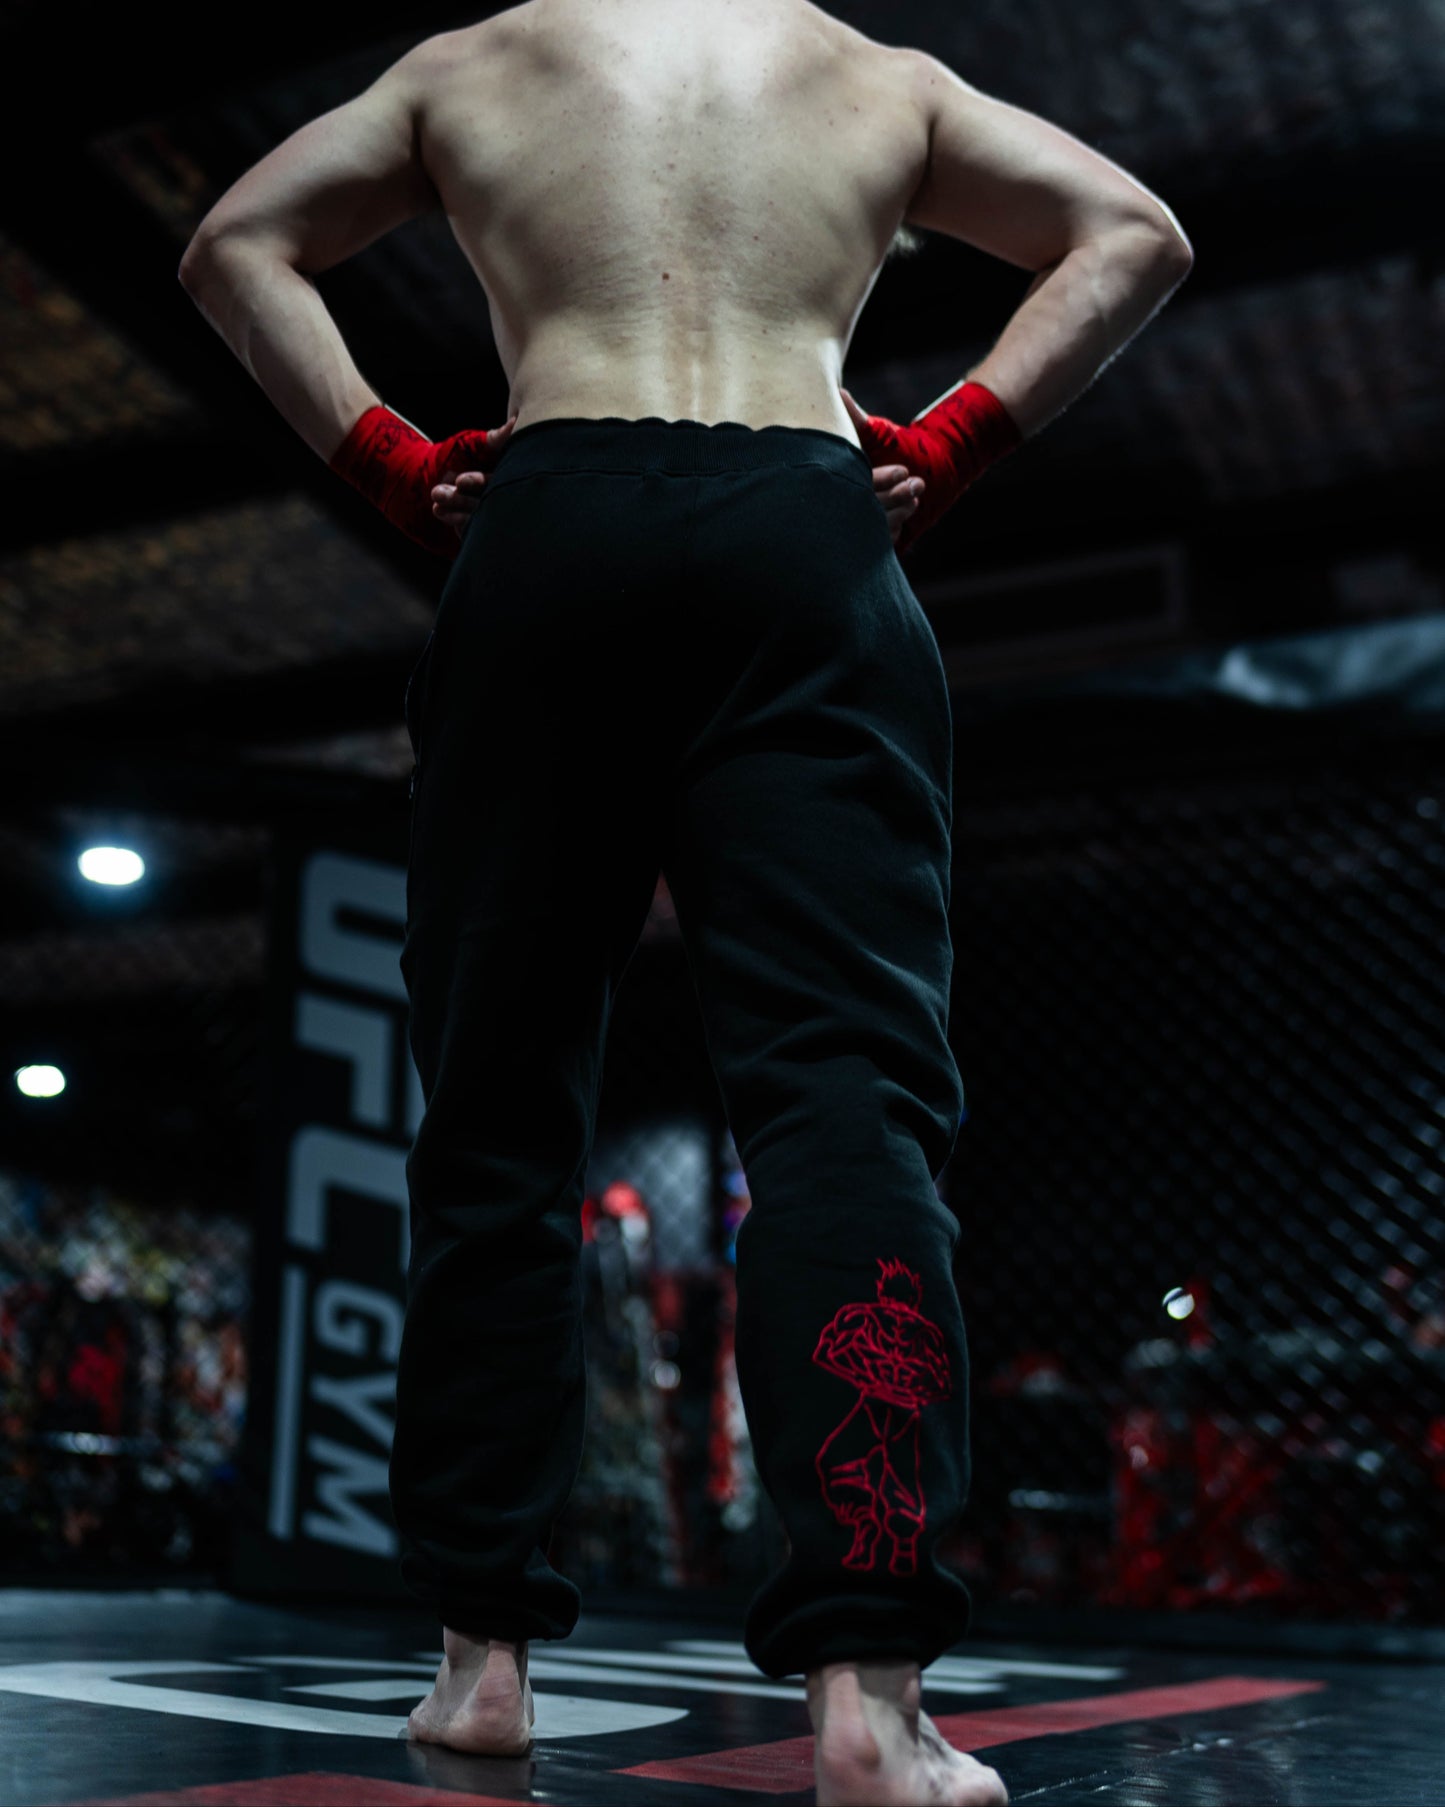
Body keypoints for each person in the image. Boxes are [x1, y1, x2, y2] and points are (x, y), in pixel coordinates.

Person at [178, 3, 1192, 1800]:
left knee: (497, 1116)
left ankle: (480, 1667)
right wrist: (956, 438)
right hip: (802, 522)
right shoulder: (877, 79)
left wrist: (389, 458)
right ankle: (869, 1700)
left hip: (548, 521)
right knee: (844, 1102)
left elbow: (229, 247)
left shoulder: (468, 66)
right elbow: (1135, 233)